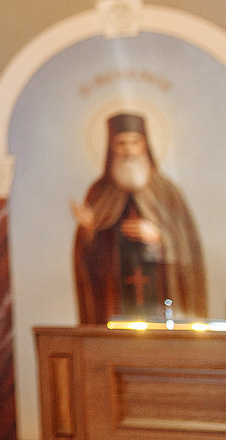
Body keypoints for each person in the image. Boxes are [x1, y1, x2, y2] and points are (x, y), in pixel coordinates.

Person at [72, 112, 207, 323]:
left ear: (144, 146)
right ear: (112, 148)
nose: (128, 150)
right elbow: (88, 262)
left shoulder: (166, 191)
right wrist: (89, 231)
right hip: (113, 302)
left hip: (161, 296)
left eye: (134, 142)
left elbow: (187, 249)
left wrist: (159, 238)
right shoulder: (99, 192)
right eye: (121, 143)